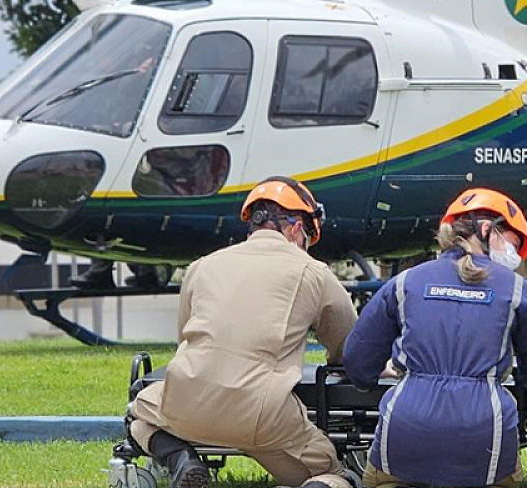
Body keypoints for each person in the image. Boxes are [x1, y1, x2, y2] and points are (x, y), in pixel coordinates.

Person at [128, 176, 358, 488]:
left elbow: (186, 336)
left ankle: (181, 457)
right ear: (295, 228)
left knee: (138, 416)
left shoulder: (202, 266)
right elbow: (349, 347)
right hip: (263, 418)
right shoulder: (312, 271)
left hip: (186, 403)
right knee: (332, 471)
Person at [343, 188, 527, 488]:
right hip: (484, 441)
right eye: (513, 242)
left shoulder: (404, 283)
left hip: (404, 436)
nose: (515, 255)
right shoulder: (517, 289)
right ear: (487, 229)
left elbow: (357, 363)